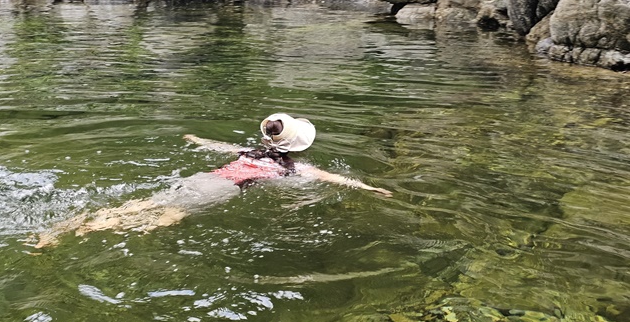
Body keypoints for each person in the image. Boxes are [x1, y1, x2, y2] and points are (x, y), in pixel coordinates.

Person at [34, 113, 391, 248]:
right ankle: (89, 231)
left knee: (144, 204)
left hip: (205, 177)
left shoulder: (250, 151)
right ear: (297, 146)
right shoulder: (290, 168)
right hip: (220, 191)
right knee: (164, 218)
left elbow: (218, 146)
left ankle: (70, 226)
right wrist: (368, 187)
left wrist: (196, 140)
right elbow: (331, 177)